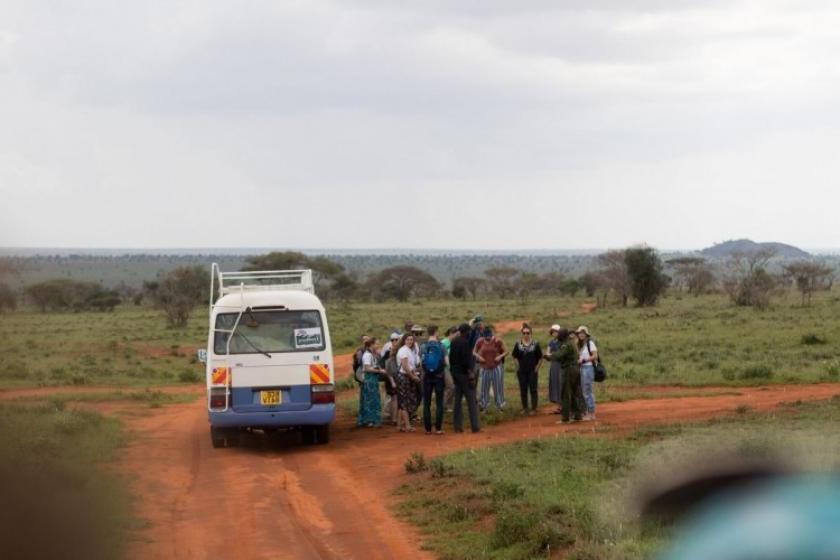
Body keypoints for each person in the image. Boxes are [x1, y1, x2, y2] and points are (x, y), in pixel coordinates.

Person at [546, 327, 583, 422]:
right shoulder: (572, 343)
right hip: (575, 368)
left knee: (565, 393)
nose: (557, 336)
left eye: (559, 334)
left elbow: (559, 355)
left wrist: (549, 357)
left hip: (568, 370)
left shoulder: (566, 344)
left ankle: (565, 417)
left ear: (563, 336)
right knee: (575, 393)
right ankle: (577, 415)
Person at [449, 323, 480, 433]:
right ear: (466, 332)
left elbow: (451, 359)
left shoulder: (454, 342)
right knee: (471, 401)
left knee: (457, 401)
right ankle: (475, 427)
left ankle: (457, 427)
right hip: (465, 375)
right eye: (469, 331)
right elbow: (467, 361)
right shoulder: (465, 343)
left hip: (455, 374)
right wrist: (470, 374)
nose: (470, 333)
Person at [420, 325, 447, 434]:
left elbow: (421, 362)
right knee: (439, 403)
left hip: (427, 377)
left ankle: (427, 429)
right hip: (439, 376)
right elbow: (446, 362)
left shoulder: (423, 346)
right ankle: (438, 428)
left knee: (427, 403)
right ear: (436, 332)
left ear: (428, 332)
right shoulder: (441, 346)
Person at [474, 327, 508, 411]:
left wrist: (500, 356)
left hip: (496, 367)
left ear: (491, 335)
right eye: (486, 337)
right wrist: (479, 357)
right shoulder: (480, 341)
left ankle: (499, 405)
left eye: (489, 336)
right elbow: (473, 352)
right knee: (484, 388)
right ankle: (484, 405)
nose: (487, 338)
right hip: (484, 368)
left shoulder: (497, 341)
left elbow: (506, 351)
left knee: (498, 387)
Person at [511, 322, 542, 414]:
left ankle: (534, 408)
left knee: (533, 389)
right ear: (522, 333)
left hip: (532, 370)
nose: (526, 335)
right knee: (523, 389)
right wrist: (517, 366)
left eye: (528, 333)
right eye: (524, 333)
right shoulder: (518, 344)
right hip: (522, 371)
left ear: (531, 333)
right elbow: (514, 356)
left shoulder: (535, 344)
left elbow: (540, 357)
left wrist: (537, 367)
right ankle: (525, 408)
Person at [396, 334, 421, 432]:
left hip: (407, 376)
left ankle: (400, 425)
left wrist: (414, 373)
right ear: (404, 340)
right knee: (405, 402)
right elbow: (405, 366)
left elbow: (410, 365)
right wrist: (413, 376)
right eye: (408, 339)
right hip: (404, 377)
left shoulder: (409, 350)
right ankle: (407, 425)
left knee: (403, 401)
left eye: (411, 339)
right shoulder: (403, 350)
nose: (410, 341)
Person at [357, 338, 384, 427]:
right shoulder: (367, 355)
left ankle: (370, 420)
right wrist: (379, 371)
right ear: (371, 345)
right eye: (376, 344)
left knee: (371, 399)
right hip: (369, 380)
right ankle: (370, 420)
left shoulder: (372, 354)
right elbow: (367, 368)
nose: (378, 346)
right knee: (370, 400)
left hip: (372, 379)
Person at [576, 326, 599, 421]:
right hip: (582, 368)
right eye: (580, 333)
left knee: (587, 391)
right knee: (584, 391)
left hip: (588, 368)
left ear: (586, 334)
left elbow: (595, 356)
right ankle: (588, 412)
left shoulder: (590, 343)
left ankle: (591, 413)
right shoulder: (579, 345)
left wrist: (584, 360)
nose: (581, 334)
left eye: (583, 333)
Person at [546, 325, 563, 414]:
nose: (554, 333)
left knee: (561, 383)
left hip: (561, 364)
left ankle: (562, 405)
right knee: (554, 383)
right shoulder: (551, 342)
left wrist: (552, 354)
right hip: (554, 364)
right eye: (553, 332)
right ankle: (558, 405)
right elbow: (547, 353)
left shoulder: (562, 342)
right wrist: (551, 355)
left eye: (556, 331)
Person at [441, 326, 458, 411]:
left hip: (452, 367)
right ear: (451, 333)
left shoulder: (454, 342)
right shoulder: (444, 342)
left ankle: (449, 405)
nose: (457, 336)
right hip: (445, 368)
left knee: (451, 387)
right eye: (456, 334)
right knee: (450, 386)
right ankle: (442, 405)